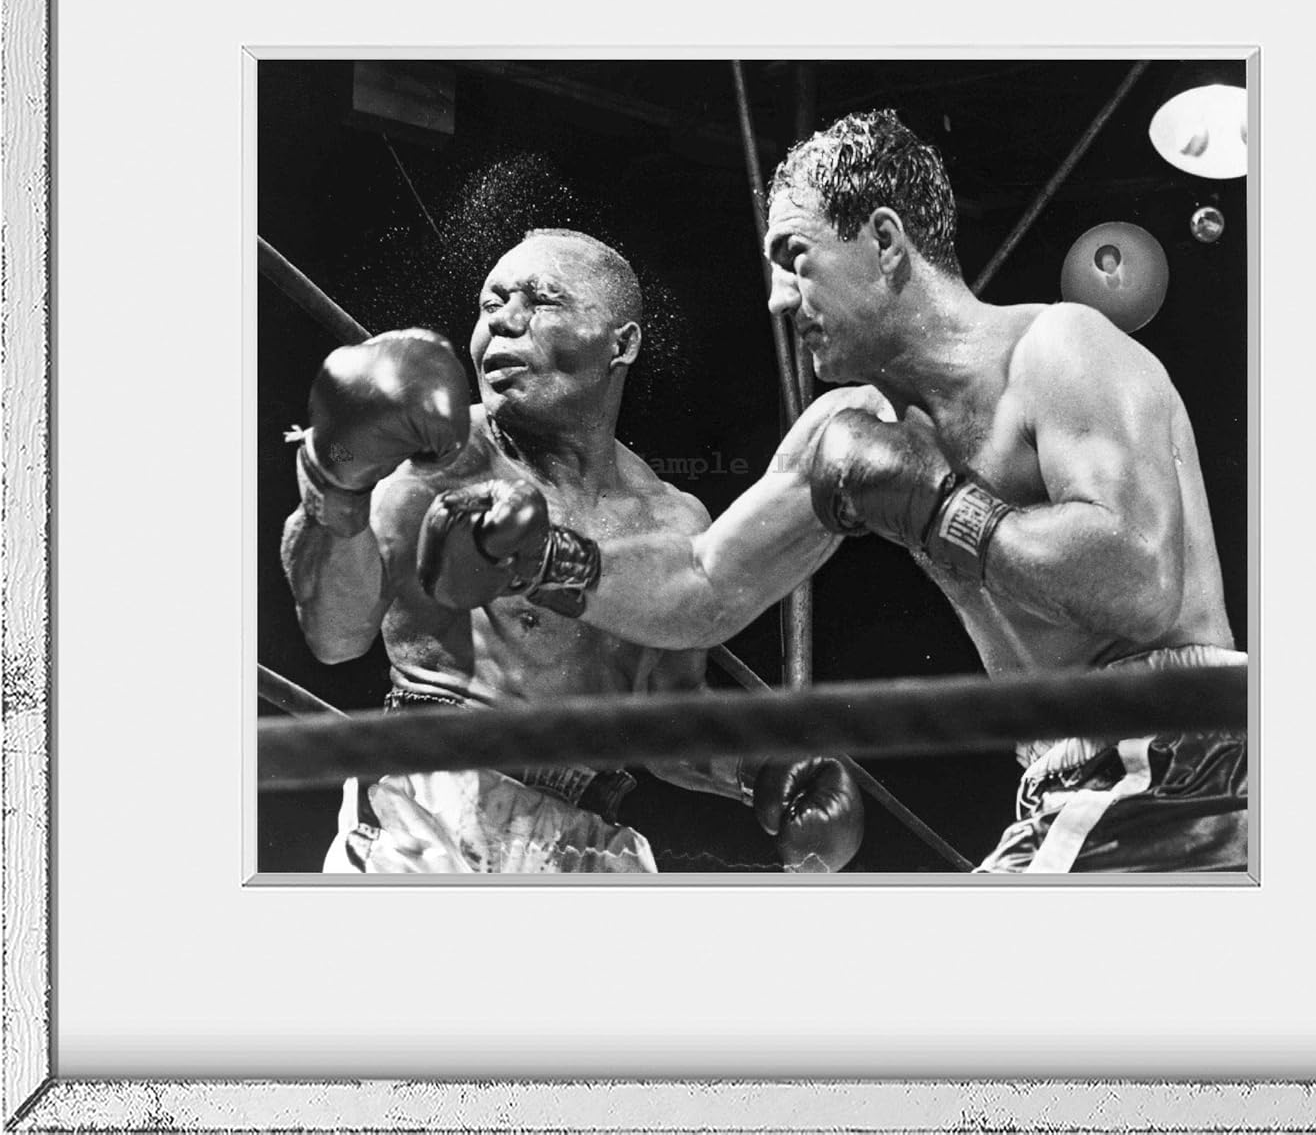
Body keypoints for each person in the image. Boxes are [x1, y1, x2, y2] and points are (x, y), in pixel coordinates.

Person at [434, 113, 1248, 874]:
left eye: (796, 257)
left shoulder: (1059, 350)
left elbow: (1140, 586)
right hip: (1061, 782)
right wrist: (539, 557)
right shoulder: (847, 428)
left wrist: (939, 505)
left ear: (885, 241)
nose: (780, 298)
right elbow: (702, 587)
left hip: (1178, 754)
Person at [281, 227, 864, 874]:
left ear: (623, 343)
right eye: (490, 303)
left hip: (585, 833)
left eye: (539, 298)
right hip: (429, 804)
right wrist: (333, 487)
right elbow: (336, 637)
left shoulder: (670, 520)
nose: (504, 321)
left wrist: (758, 770)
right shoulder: (444, 465)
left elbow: (665, 720)